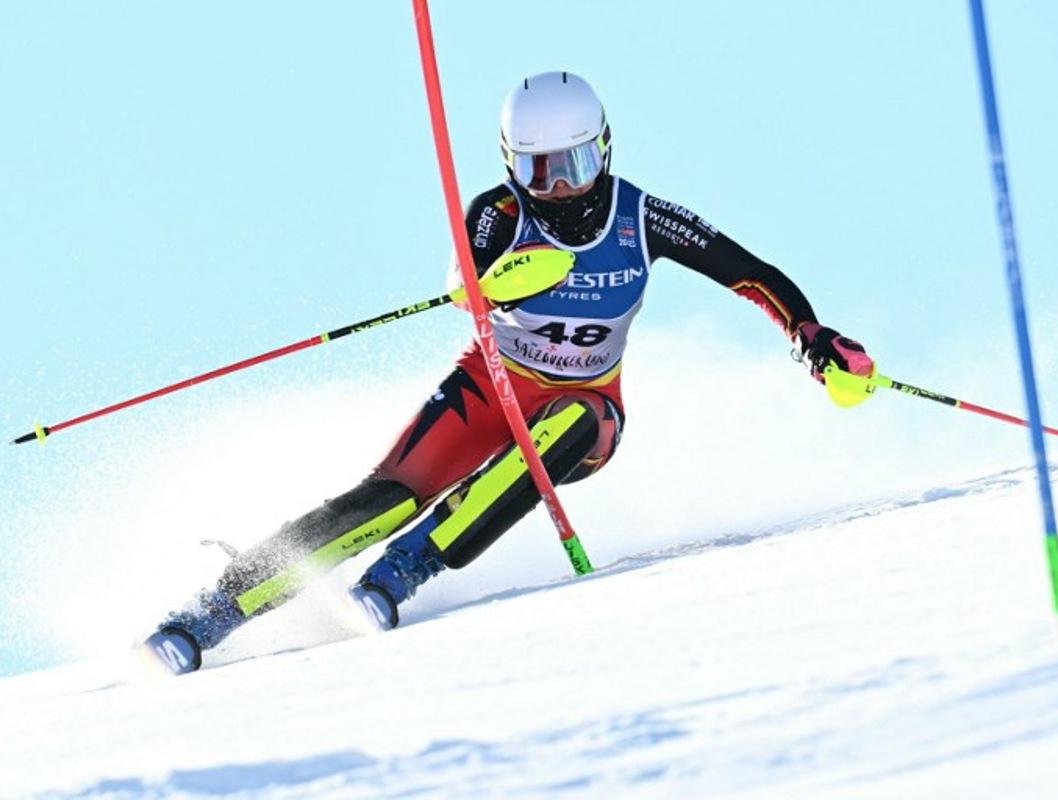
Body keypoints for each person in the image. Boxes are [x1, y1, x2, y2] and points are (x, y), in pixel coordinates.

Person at [142, 71, 875, 675]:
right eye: (537, 172)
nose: (557, 190)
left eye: (573, 168)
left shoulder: (641, 217)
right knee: (389, 496)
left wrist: (809, 335)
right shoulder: (500, 211)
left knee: (573, 425)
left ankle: (408, 568)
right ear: (511, 164)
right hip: (493, 385)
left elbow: (750, 273)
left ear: (604, 151)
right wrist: (479, 282)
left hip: (588, 404)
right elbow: (472, 262)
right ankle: (214, 610)